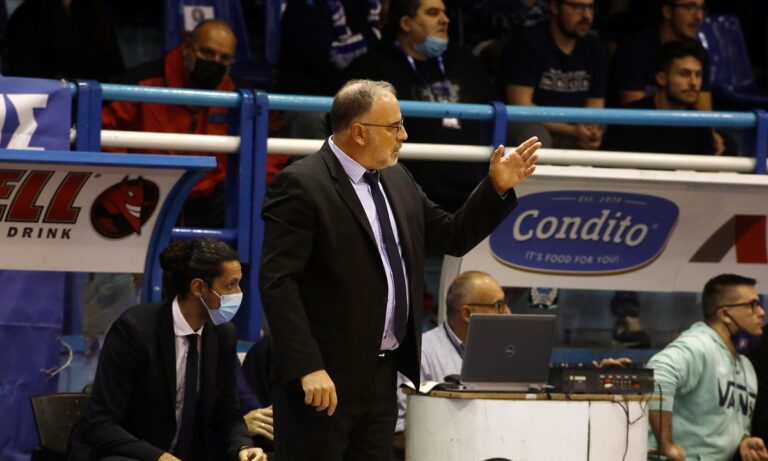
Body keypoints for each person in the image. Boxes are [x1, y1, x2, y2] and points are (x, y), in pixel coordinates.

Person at [259, 79, 540, 461]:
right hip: (324, 378)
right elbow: (278, 282)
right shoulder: (302, 183)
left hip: (383, 375)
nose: (404, 135)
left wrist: (495, 188)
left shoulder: (397, 177)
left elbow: (451, 235)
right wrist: (308, 367)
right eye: (394, 127)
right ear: (359, 132)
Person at [392, 271, 630, 457]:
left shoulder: (509, 350)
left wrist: (596, 377)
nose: (508, 312)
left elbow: (545, 393)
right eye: (499, 305)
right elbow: (398, 433)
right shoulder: (421, 354)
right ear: (467, 313)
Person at [71, 237, 266, 461]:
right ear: (199, 287)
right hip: (132, 454)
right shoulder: (135, 329)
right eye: (230, 285)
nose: (239, 293)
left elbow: (227, 414)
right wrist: (160, 457)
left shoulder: (223, 334)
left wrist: (243, 446)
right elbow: (100, 424)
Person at [347, 0, 494, 212]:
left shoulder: (466, 62)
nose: (445, 19)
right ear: (406, 23)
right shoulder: (372, 68)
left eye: (445, 12)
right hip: (403, 196)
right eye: (433, 13)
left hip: (471, 193)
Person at [101, 19, 238, 228]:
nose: (215, 63)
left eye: (224, 58)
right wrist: (128, 177)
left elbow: (269, 149)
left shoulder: (237, 96)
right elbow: (104, 130)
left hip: (205, 197)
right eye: (207, 53)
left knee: (243, 204)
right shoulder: (141, 84)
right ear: (187, 47)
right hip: (144, 192)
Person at [647, 274, 768, 461]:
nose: (761, 312)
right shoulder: (699, 345)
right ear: (725, 314)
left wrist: (743, 440)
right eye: (752, 305)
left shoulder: (745, 365)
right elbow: (658, 375)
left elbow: (728, 421)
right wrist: (665, 445)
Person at [498, 0, 607, 149]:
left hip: (575, 128)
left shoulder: (595, 48)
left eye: (590, 7)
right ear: (555, 7)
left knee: (603, 130)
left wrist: (591, 131)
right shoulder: (526, 43)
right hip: (534, 124)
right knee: (535, 136)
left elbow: (595, 105)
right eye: (577, 7)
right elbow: (521, 106)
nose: (586, 15)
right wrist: (571, 131)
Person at [602, 39, 724, 155]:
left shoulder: (700, 126)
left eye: (698, 75)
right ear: (662, 78)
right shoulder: (629, 121)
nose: (694, 82)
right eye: (685, 74)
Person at [610, 0, 712, 110]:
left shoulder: (698, 53)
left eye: (702, 8)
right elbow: (636, 115)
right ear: (667, 11)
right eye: (690, 7)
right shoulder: (635, 48)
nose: (699, 16)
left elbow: (704, 115)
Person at [4, 0, 124, 81]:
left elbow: (115, 70)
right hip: (47, 104)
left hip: (96, 103)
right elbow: (23, 76)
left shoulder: (97, 13)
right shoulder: (26, 16)